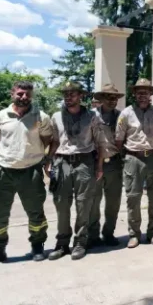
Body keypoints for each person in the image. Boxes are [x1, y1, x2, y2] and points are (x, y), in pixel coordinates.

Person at [0, 81, 53, 269]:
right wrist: (9, 156)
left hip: (31, 172)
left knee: (36, 212)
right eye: (20, 93)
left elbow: (46, 140)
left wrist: (31, 156)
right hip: (2, 171)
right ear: (12, 94)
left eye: (27, 94)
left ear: (32, 95)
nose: (24, 97)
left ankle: (37, 246)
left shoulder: (41, 117)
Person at [47, 82, 106, 261]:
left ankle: (80, 242)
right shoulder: (56, 116)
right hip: (62, 162)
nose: (68, 97)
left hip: (84, 161)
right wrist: (48, 161)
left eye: (72, 94)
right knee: (61, 204)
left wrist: (99, 166)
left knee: (83, 204)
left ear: (81, 96)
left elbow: (100, 143)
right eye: (65, 94)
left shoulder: (92, 116)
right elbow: (55, 141)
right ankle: (62, 243)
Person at [116, 78, 153, 248]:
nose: (142, 95)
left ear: (150, 94)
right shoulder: (126, 114)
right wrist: (127, 157)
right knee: (133, 198)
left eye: (146, 92)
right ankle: (134, 234)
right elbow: (119, 138)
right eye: (139, 92)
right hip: (133, 158)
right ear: (135, 94)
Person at [87, 83, 125, 247]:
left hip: (115, 163)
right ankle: (93, 235)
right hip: (95, 163)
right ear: (101, 98)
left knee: (113, 202)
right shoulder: (90, 116)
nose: (112, 100)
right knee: (93, 202)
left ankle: (108, 233)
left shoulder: (122, 116)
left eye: (115, 97)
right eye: (108, 97)